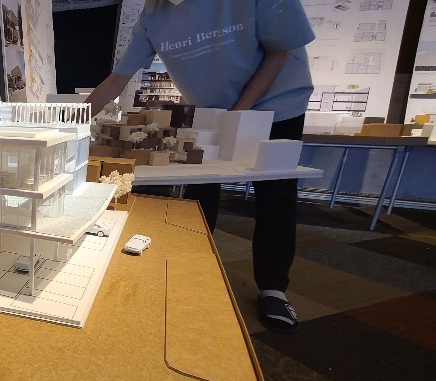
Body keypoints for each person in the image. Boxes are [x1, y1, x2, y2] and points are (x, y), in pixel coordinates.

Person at [85, 0, 315, 333]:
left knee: (275, 190)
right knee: (200, 186)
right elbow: (115, 80)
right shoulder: (153, 15)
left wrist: (238, 116)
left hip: (278, 103)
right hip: (211, 107)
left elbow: (279, 52)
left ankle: (274, 287)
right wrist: (67, 125)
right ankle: (191, 265)